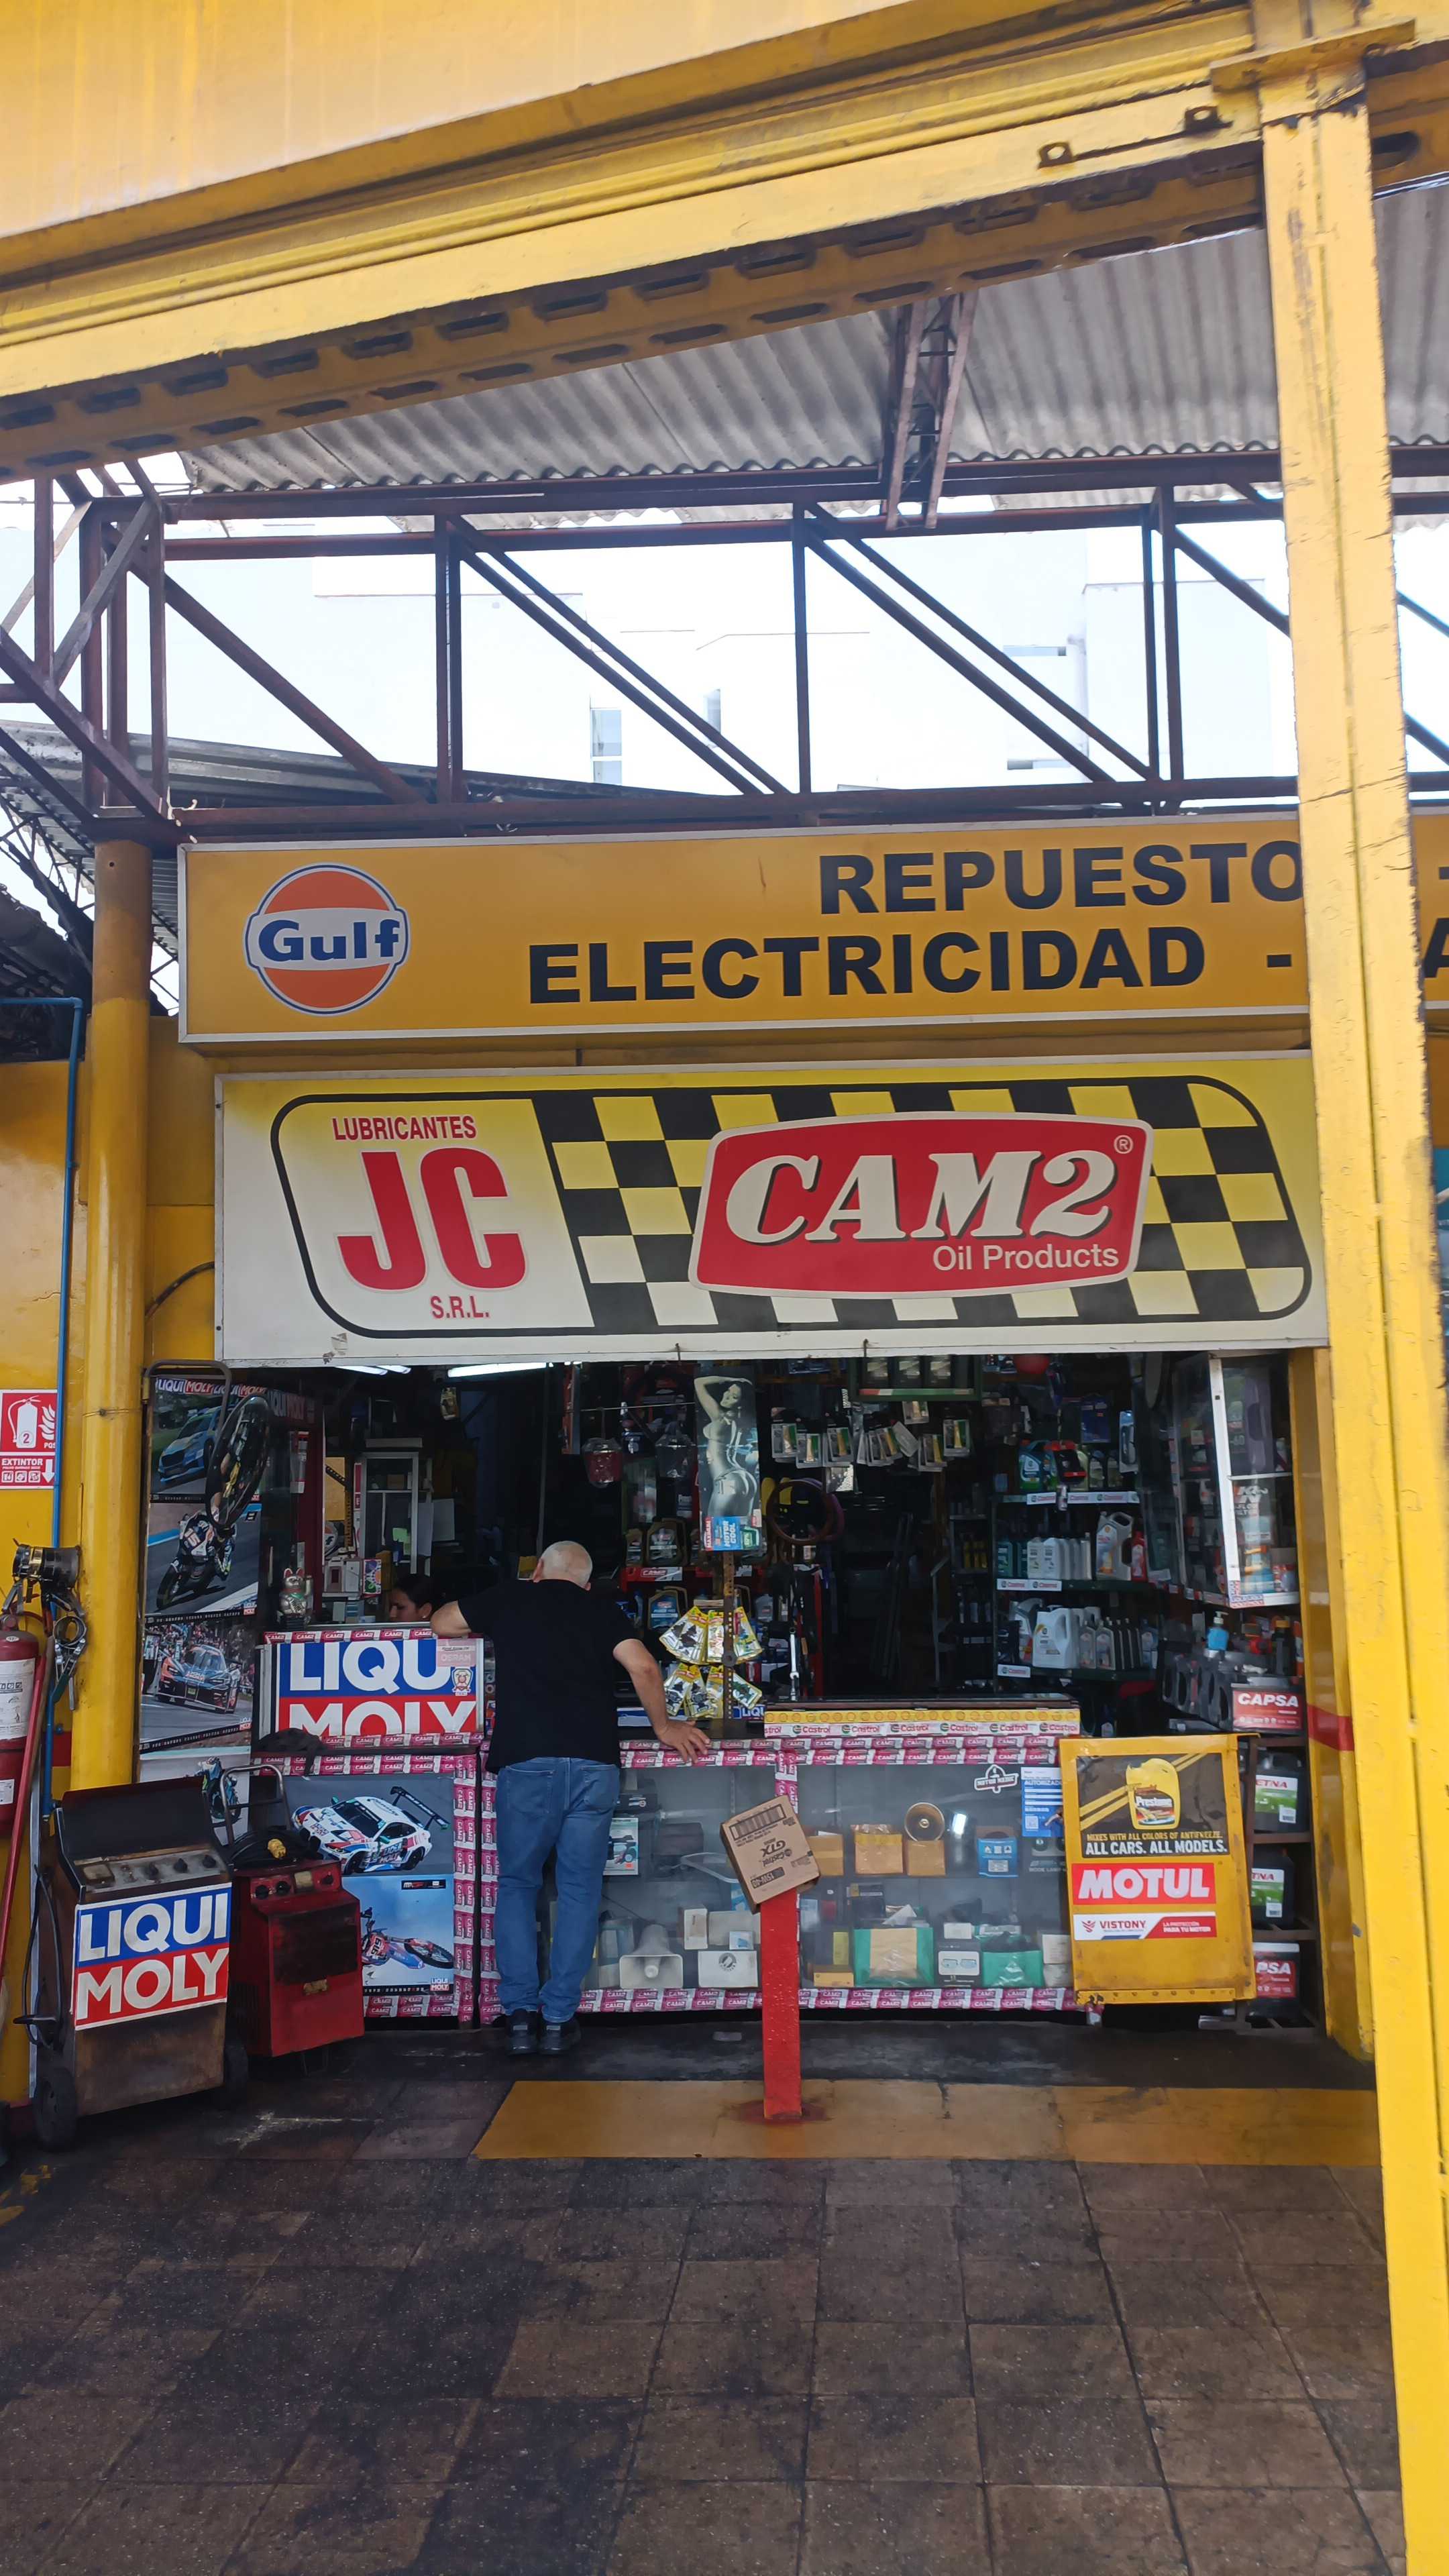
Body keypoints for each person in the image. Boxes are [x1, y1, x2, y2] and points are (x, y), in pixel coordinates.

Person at [433, 1541, 709, 2056]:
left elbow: (442, 1622)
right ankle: (559, 2018)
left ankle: (520, 2016)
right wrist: (664, 1726)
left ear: (538, 1570)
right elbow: (645, 1668)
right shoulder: (601, 1611)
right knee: (580, 1891)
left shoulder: (509, 1598)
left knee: (518, 1884)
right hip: (592, 1767)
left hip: (527, 1765)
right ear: (585, 1583)